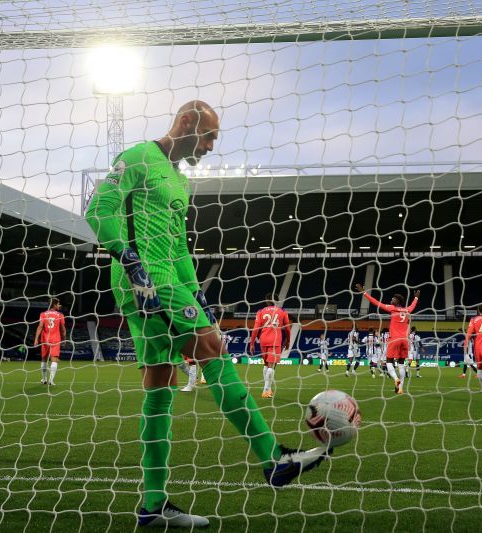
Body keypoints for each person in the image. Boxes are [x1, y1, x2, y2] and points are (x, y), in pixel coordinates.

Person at [86, 100, 326, 528]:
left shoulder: (180, 183)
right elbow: (98, 210)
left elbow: (178, 246)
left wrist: (198, 293)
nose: (213, 145)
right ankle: (273, 457)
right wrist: (126, 257)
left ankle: (153, 505)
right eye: (210, 135)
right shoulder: (137, 158)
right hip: (141, 278)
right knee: (211, 347)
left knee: (160, 383)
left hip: (169, 279)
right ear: (186, 122)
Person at [356, 283, 419, 394]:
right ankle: (400, 388)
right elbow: (413, 306)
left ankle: (395, 379)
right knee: (401, 363)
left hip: (394, 339)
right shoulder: (407, 310)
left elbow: (376, 303)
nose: (391, 300)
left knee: (389, 361)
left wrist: (364, 292)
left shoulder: (392, 308)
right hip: (404, 340)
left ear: (398, 302)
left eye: (393, 299)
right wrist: (416, 297)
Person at [249, 293, 292, 398]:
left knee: (266, 365)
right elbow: (287, 329)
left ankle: (267, 389)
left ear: (266, 300)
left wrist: (252, 343)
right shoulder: (282, 312)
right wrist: (287, 342)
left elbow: (255, 329)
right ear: (276, 300)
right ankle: (266, 390)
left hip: (263, 340)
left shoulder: (260, 312)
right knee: (271, 367)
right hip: (275, 340)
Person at [33, 298, 66, 386]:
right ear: (54, 305)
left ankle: (44, 379)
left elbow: (40, 326)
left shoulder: (43, 314)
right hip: (55, 340)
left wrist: (36, 339)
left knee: (44, 359)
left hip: (45, 339)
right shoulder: (60, 315)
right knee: (54, 359)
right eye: (59, 304)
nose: (60, 305)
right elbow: (63, 329)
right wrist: (64, 339)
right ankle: (51, 381)